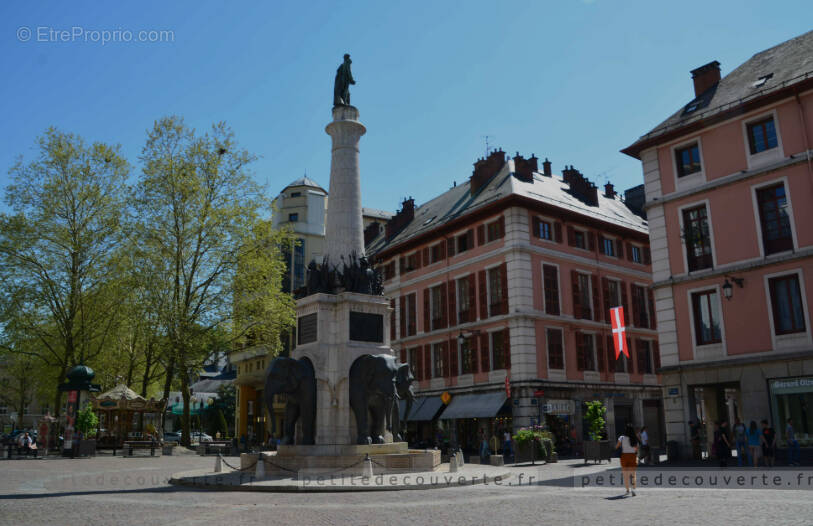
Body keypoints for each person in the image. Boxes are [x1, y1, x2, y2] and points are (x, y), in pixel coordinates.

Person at [616, 423, 639, 496]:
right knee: (633, 474)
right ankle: (633, 490)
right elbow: (636, 449)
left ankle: (627, 490)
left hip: (624, 457)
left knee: (625, 474)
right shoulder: (634, 438)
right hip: (632, 456)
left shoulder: (621, 438)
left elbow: (617, 446)